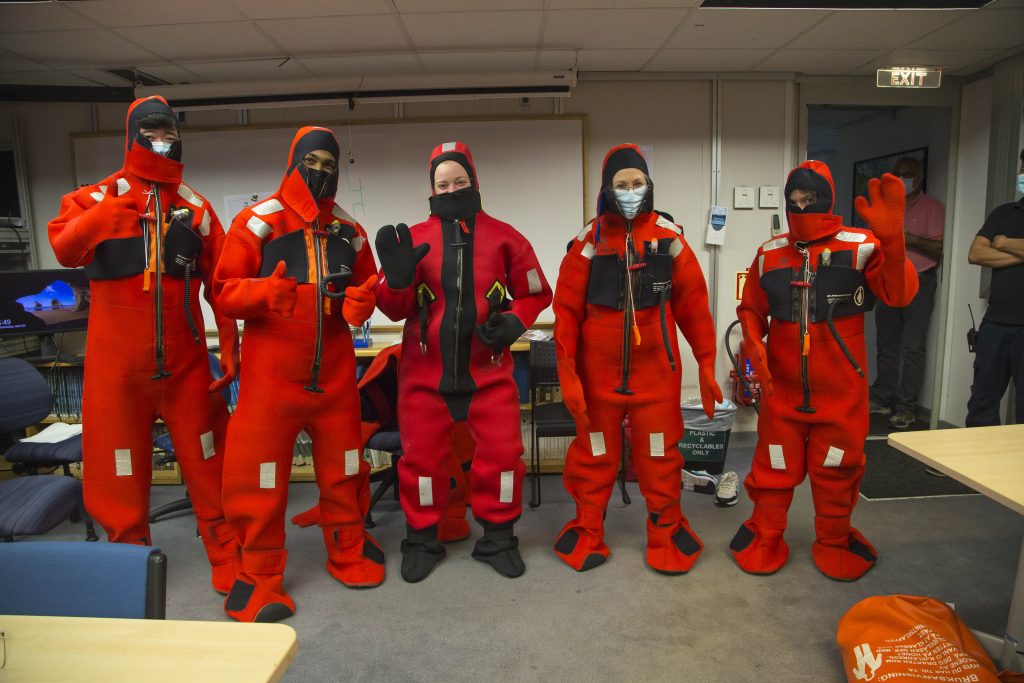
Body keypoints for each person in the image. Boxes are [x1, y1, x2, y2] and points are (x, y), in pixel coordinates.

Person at [47, 95, 241, 594]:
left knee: (208, 459)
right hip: (117, 375)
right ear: (130, 135)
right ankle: (128, 559)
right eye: (150, 132)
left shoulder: (196, 210)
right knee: (118, 470)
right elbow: (65, 249)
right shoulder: (93, 199)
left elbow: (220, 284)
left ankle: (226, 549)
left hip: (187, 367)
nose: (161, 142)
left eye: (169, 133)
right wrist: (98, 221)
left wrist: (232, 344)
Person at [213, 126, 381, 622]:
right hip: (272, 385)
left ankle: (349, 549)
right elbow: (222, 291)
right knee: (259, 480)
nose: (321, 173)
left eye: (331, 165)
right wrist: (261, 295)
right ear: (293, 162)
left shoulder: (351, 231)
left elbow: (367, 292)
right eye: (313, 162)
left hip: (334, 382)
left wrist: (360, 305)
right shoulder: (259, 220)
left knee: (344, 470)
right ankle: (260, 576)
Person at [730, 160, 918, 581]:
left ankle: (835, 539)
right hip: (782, 393)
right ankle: (765, 531)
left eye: (809, 200)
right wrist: (752, 343)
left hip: (841, 394)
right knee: (774, 466)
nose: (801, 209)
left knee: (837, 469)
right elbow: (751, 309)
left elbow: (900, 294)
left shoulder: (862, 245)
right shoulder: (769, 253)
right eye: (793, 201)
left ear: (827, 198)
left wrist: (894, 243)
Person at [375, 141, 552, 582]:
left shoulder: (506, 237)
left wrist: (514, 322)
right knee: (421, 462)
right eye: (442, 182)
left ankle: (499, 539)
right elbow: (393, 308)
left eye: (459, 180)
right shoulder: (412, 239)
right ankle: (423, 540)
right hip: (424, 378)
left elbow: (535, 293)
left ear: (473, 180)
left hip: (488, 374)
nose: (451, 188)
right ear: (430, 187)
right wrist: (396, 281)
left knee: (503, 458)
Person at [551, 144, 723, 574]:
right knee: (593, 457)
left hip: (656, 380)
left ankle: (666, 531)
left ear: (648, 185)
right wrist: (567, 371)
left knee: (660, 458)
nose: (630, 191)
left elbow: (694, 308)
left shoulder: (670, 241)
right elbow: (565, 313)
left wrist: (705, 362)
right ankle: (588, 529)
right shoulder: (586, 243)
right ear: (608, 189)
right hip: (599, 382)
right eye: (621, 184)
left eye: (637, 183)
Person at [870, 157, 944, 429]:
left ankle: (905, 407)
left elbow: (939, 248)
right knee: (886, 344)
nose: (903, 179)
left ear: (920, 177)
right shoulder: (888, 207)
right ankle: (881, 397)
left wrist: (907, 238)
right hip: (888, 281)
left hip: (920, 281)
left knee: (912, 347)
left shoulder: (931, 208)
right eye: (899, 174)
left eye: (909, 174)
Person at [964, 148, 1024, 426]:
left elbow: (991, 248)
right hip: (996, 325)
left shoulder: (1002, 231)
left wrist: (1003, 243)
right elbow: (975, 254)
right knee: (982, 403)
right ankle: (973, 467)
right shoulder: (1004, 212)